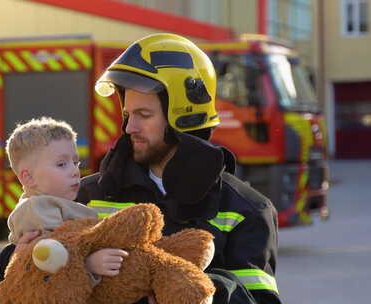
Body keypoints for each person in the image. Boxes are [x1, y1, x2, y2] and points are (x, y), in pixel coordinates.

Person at [76, 33, 281, 304]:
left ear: (185, 117)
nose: (129, 128)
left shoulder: (246, 210)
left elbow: (258, 299)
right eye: (128, 114)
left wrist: (197, 290)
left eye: (144, 115)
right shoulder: (88, 194)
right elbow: (32, 274)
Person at [0, 116, 128, 286]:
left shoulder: (60, 202)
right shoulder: (35, 209)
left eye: (76, 162)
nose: (75, 171)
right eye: (61, 164)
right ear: (28, 177)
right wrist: (88, 264)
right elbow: (51, 259)